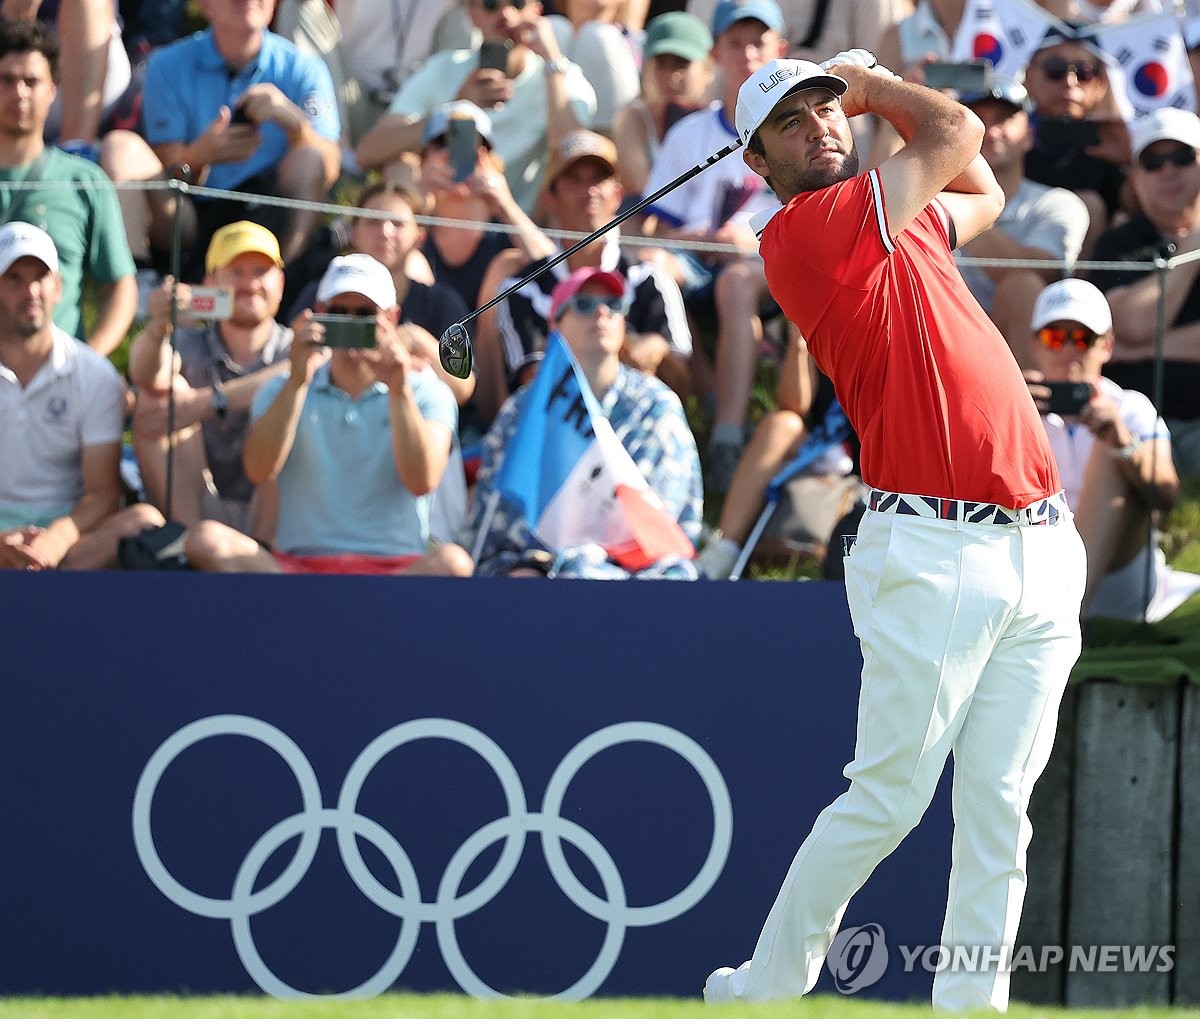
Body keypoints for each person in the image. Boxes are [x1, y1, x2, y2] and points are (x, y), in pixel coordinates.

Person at [703, 51, 1086, 1010]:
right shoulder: (806, 233)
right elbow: (959, 135)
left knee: (999, 810)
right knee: (888, 798)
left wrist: (864, 92)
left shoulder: (900, 220)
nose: (822, 127)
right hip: (935, 548)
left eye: (825, 110)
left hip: (1039, 544)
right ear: (759, 163)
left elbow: (985, 190)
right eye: (791, 123)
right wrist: (867, 83)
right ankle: (764, 985)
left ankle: (972, 1004)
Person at [184, 253, 474, 576]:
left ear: (392, 318)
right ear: (319, 314)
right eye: (339, 312)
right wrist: (297, 382)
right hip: (299, 569)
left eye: (364, 314)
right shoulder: (283, 386)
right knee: (206, 540)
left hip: (395, 573)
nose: (350, 323)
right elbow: (259, 470)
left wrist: (399, 389)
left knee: (454, 563)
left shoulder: (426, 391)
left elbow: (422, 481)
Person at [458, 266, 702, 578]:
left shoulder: (655, 404)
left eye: (614, 306)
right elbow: (498, 518)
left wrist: (586, 558)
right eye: (584, 305)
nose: (601, 313)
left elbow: (661, 511)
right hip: (540, 564)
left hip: (641, 567)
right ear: (555, 324)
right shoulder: (522, 410)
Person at [639, 0, 788, 493]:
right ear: (715, 53)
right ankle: (697, 394)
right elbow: (652, 231)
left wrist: (749, 239)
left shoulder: (794, 132)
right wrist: (699, 240)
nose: (747, 54)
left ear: (779, 50)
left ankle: (725, 436)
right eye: (735, 42)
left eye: (758, 42)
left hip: (767, 262)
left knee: (738, 282)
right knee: (652, 267)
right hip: (695, 260)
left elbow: (814, 217)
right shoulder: (691, 132)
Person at [100, 0, 341, 278]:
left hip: (272, 214)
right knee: (120, 147)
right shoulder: (166, 65)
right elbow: (170, 175)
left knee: (310, 156)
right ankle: (138, 281)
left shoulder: (306, 68)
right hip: (193, 215)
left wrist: (297, 126)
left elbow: (331, 168)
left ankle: (283, 279)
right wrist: (200, 156)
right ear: (205, 5)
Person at [475, 129, 692, 423]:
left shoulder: (649, 278)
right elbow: (533, 385)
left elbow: (682, 382)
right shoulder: (521, 289)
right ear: (549, 198)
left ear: (617, 195)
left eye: (598, 180)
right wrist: (631, 350)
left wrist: (659, 350)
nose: (588, 191)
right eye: (573, 180)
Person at [1026, 278, 1197, 621]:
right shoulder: (1013, 405)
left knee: (1113, 454)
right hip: (1035, 565)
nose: (1069, 351)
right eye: (1055, 338)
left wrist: (1122, 441)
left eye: (1083, 338)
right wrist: (1007, 416)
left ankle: (1064, 622)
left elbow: (1166, 495)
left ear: (1106, 346)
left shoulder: (1130, 407)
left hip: (1116, 578)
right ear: (1036, 346)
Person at [0, 222, 162, 570]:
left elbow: (103, 493)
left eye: (40, 277)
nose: (30, 291)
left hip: (70, 542)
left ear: (58, 287)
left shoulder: (93, 374)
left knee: (144, 521)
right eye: (14, 278)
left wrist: (54, 541)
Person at [127, 221, 294, 541]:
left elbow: (307, 370)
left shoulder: (294, 346)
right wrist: (157, 328)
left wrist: (208, 402)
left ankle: (267, 555)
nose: (249, 284)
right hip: (200, 504)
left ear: (281, 283)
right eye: (236, 272)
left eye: (261, 271)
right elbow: (145, 375)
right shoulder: (188, 341)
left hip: (277, 513)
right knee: (159, 396)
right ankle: (189, 550)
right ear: (209, 282)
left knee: (296, 394)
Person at [354, 0, 598, 215]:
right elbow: (368, 152)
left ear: (537, 10)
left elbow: (573, 157)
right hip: (445, 220)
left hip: (518, 223)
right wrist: (454, 110)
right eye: (491, 4)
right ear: (471, 13)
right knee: (400, 164)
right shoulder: (444, 68)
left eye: (518, 3)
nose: (506, 14)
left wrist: (552, 62)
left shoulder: (562, 77)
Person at [0, 19, 136, 357]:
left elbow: (120, 287)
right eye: (6, 80)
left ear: (52, 91)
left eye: (31, 81)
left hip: (60, 385)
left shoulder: (84, 182)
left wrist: (88, 364)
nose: (19, 92)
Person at [1088, 106, 1200, 476]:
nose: (1168, 171)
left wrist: (1138, 350)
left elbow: (1132, 337)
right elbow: (1128, 323)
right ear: (1135, 178)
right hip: (1134, 424)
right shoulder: (1116, 244)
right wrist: (1193, 248)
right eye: (1153, 161)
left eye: (1182, 158)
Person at [954, 76, 1089, 368]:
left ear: (1029, 135)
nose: (990, 131)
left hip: (1014, 352)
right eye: (977, 119)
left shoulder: (1058, 203)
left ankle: (1033, 410)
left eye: (1004, 119)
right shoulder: (931, 195)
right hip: (942, 338)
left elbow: (1029, 272)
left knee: (1021, 286)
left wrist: (954, 193)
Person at [415, 100, 556, 316]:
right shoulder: (413, 228)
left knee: (509, 263)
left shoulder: (508, 228)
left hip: (497, 343)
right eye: (442, 144)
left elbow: (554, 275)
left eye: (468, 146)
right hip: (430, 342)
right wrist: (418, 198)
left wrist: (506, 206)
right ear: (423, 162)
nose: (453, 156)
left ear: (490, 159)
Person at [1021, 26, 1130, 260]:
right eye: (1055, 69)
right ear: (1028, 77)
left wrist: (1131, 162)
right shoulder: (1002, 133)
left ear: (1101, 84)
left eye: (1085, 71)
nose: (1070, 82)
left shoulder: (1114, 142)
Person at [610, 10, 713, 201]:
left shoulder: (722, 118)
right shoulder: (632, 117)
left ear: (708, 69)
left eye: (681, 63)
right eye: (661, 63)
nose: (671, 76)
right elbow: (642, 194)